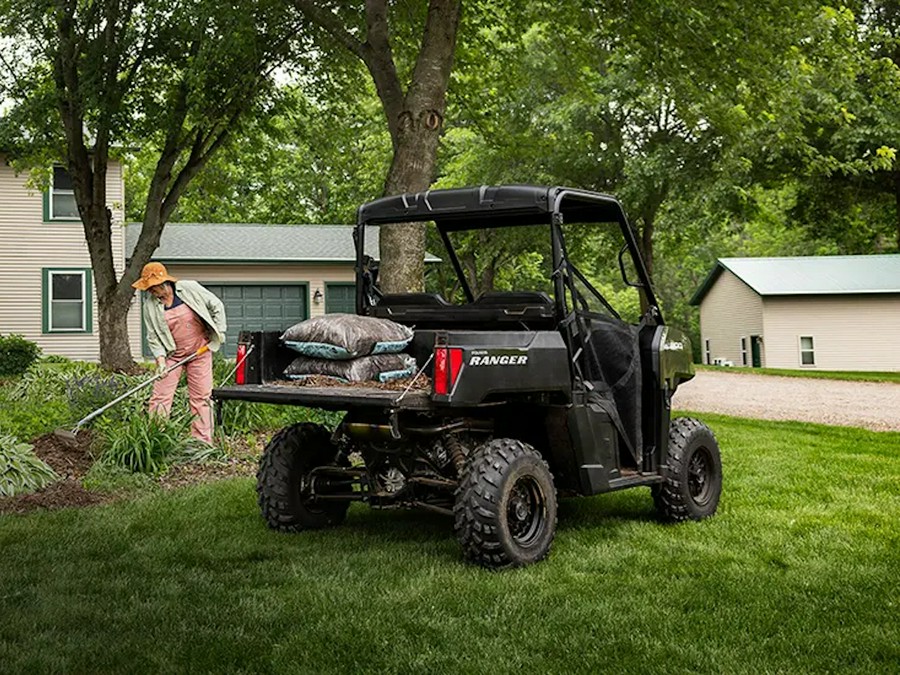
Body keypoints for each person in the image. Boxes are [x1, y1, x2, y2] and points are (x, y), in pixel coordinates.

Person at [132, 262, 227, 445]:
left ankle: (201, 443)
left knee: (201, 397)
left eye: (152, 287)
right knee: (160, 397)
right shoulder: (150, 305)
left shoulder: (188, 288)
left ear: (162, 283)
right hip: (172, 355)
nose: (150, 291)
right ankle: (156, 441)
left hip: (200, 351)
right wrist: (160, 361)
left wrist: (220, 330)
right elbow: (153, 336)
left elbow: (216, 305)